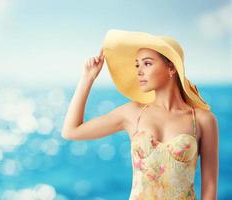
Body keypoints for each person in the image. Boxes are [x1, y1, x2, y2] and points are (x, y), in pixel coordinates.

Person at [61, 29, 218, 200]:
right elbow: (71, 131)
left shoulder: (202, 120)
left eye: (147, 63)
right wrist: (87, 78)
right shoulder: (133, 113)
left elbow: (209, 187)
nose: (139, 71)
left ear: (171, 67)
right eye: (137, 65)